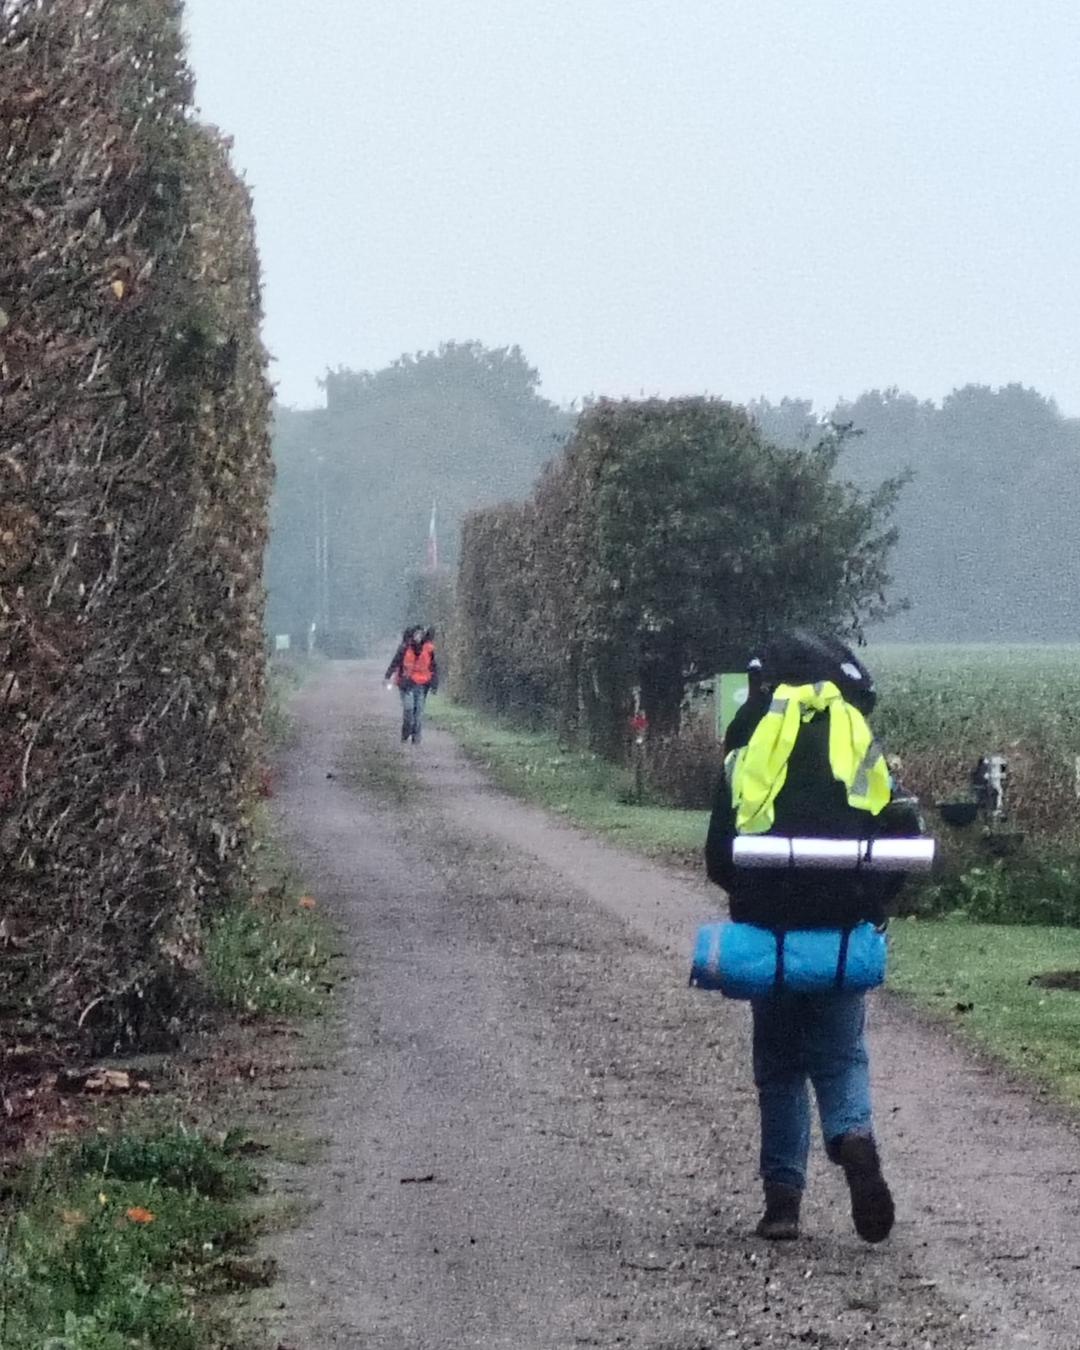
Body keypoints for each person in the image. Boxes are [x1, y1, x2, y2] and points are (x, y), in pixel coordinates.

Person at [705, 631, 921, 1244]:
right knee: (841, 1054)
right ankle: (853, 1138)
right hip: (840, 930)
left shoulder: (750, 737)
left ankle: (782, 1204)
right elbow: (896, 832)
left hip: (770, 934)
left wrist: (749, 894)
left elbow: (719, 855)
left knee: (778, 1066)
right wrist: (875, 903)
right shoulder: (852, 734)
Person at [384, 626, 438, 744]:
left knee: (418, 712)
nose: (418, 637)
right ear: (412, 635)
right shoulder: (404, 648)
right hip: (407, 684)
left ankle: (416, 739)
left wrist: (434, 683)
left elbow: (433, 667)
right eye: (416, 634)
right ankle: (406, 732)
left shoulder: (429, 649)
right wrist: (387, 676)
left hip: (423, 685)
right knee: (409, 710)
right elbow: (395, 662)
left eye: (421, 634)